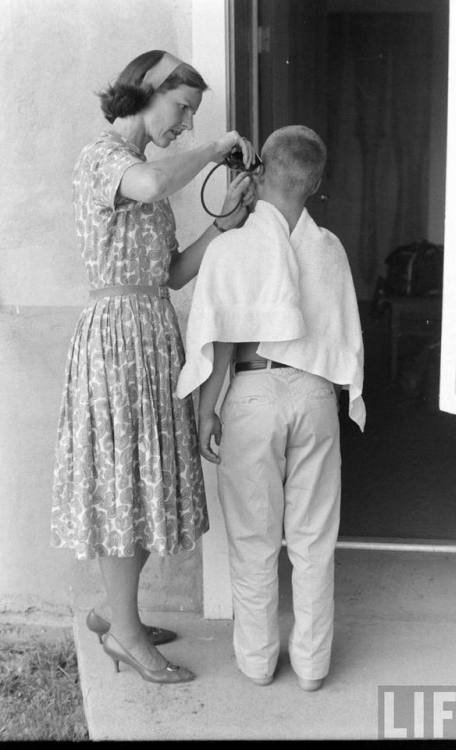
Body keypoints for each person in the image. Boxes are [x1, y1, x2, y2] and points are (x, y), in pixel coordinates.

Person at [51, 49, 256, 685]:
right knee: (122, 485)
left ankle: (118, 615)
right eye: (182, 108)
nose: (187, 125)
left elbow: (170, 273)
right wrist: (219, 143)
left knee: (137, 486)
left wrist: (227, 220)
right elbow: (151, 185)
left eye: (195, 116)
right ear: (146, 90)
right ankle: (126, 635)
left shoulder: (143, 169)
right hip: (115, 341)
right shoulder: (106, 159)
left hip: (149, 335)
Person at [176, 125, 365, 691]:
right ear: (317, 184)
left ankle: (258, 661)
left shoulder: (235, 246)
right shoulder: (328, 247)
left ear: (261, 173)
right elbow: (338, 335)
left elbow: (226, 337)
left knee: (254, 536)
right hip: (313, 394)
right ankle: (312, 666)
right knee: (313, 537)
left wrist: (209, 408)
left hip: (254, 394)